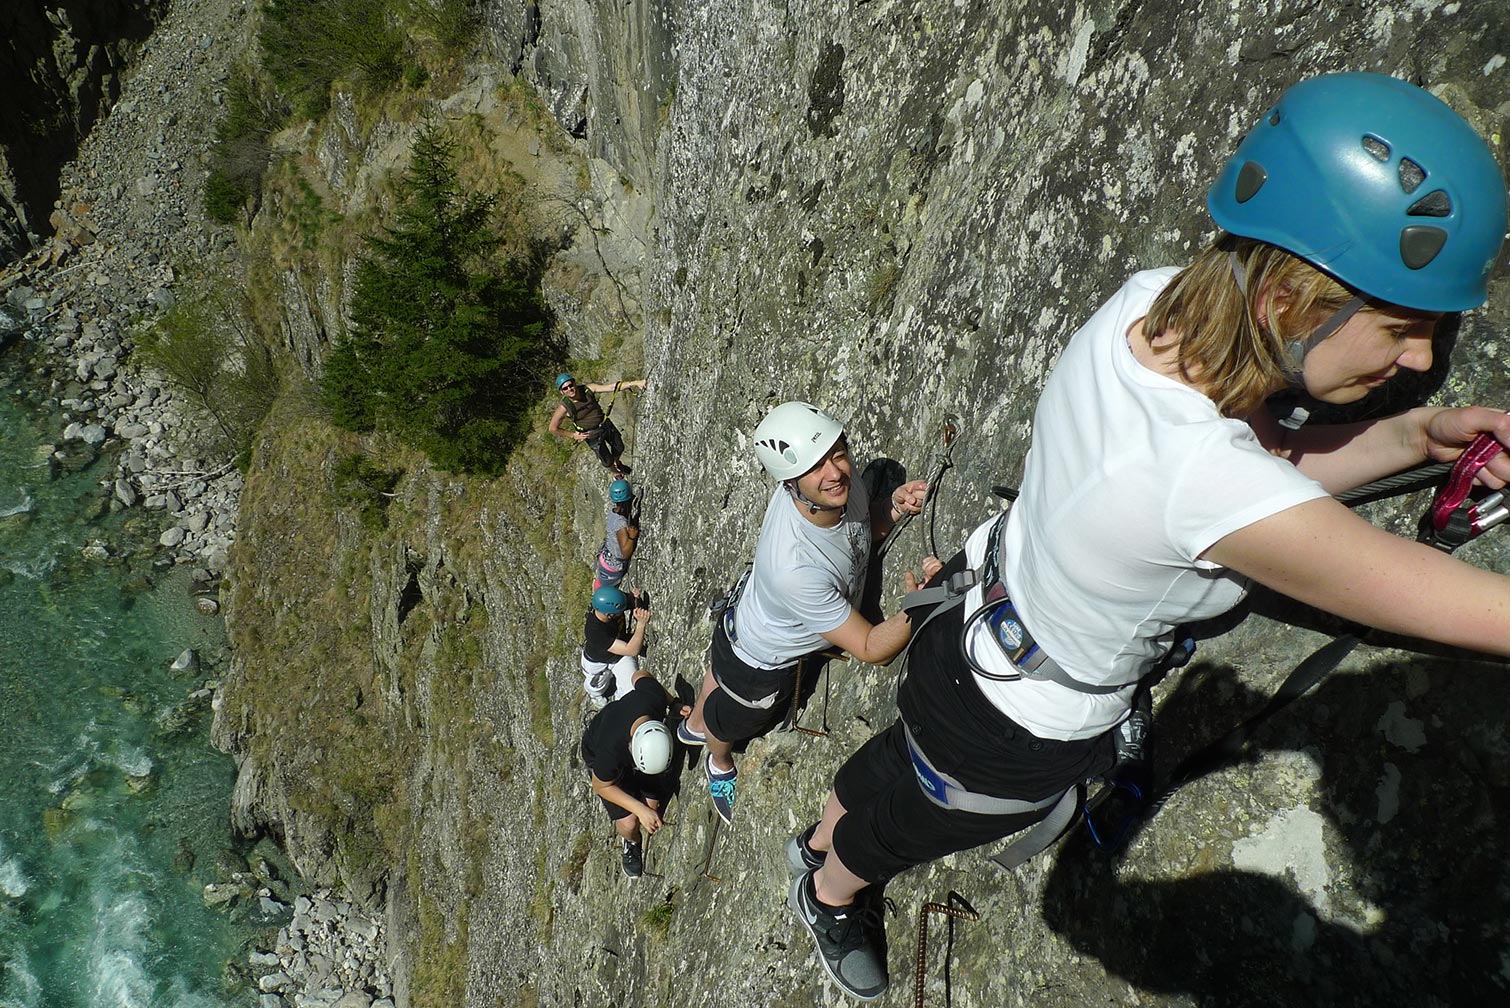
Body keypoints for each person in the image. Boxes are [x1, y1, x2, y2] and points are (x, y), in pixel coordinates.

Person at [786, 72, 1510, 1001]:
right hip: (1022, 729)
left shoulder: (1150, 304)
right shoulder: (1200, 482)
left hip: (966, 631)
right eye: (1404, 329)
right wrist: (1410, 434)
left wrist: (1418, 435)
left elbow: (1254, 471)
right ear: (1288, 303)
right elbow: (1454, 601)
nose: (1421, 359)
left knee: (902, 756)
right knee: (913, 823)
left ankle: (816, 835)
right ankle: (832, 888)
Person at [678, 401, 937, 824]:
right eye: (816, 467)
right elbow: (872, 647)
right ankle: (717, 760)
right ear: (790, 484)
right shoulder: (795, 567)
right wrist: (921, 607)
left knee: (716, 678)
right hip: (760, 664)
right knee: (724, 722)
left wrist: (891, 506)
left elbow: (857, 532)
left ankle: (692, 724)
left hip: (743, 623)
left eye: (837, 453)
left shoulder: (835, 490)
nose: (834, 472)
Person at [580, 668, 693, 877]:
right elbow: (601, 785)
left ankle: (644, 799)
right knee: (630, 823)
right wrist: (639, 811)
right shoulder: (609, 752)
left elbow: (640, 675)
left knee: (653, 807)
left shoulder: (653, 700)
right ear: (632, 748)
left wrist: (673, 704)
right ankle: (631, 843)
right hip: (600, 745)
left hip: (627, 734)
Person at [547, 373, 646, 476]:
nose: (570, 389)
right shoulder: (565, 407)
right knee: (607, 461)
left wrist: (636, 383)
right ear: (561, 392)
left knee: (619, 447)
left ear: (574, 383)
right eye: (565, 388)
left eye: (570, 385)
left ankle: (617, 462)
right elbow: (552, 428)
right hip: (591, 435)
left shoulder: (587, 389)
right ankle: (617, 473)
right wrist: (573, 435)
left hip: (605, 425)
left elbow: (612, 387)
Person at [580, 586, 650, 709]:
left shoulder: (613, 602)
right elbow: (632, 650)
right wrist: (641, 624)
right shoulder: (594, 631)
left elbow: (632, 603)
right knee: (596, 686)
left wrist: (636, 599)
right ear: (609, 615)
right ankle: (595, 695)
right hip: (597, 661)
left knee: (631, 687)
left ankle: (620, 706)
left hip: (619, 655)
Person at [593, 478, 640, 591]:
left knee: (599, 588)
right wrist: (632, 537)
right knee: (605, 592)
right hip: (613, 568)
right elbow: (624, 554)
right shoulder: (621, 524)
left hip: (605, 560)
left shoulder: (613, 511)